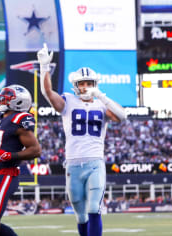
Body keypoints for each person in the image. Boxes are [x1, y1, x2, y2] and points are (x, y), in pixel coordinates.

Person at [37, 44, 127, 236]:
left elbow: (122, 116)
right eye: (82, 83)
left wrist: (101, 96)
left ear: (95, 84)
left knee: (95, 207)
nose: (85, 87)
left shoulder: (102, 105)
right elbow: (47, 94)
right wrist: (44, 68)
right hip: (73, 164)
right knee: (80, 215)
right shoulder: (69, 101)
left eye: (89, 83)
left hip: (95, 162)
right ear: (75, 85)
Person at [0, 84, 42, 236]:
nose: (1, 99)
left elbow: (36, 149)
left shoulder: (20, 119)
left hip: (6, 174)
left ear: (19, 102)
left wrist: (11, 155)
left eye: (7, 97)